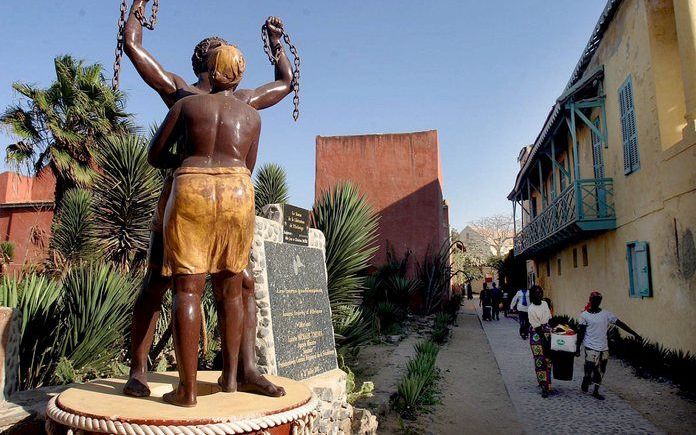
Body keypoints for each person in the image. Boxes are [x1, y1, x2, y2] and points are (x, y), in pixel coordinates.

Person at [122, 0, 289, 399]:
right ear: (211, 63)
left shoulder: (233, 101)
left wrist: (137, 13)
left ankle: (245, 370)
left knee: (239, 283)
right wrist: (277, 45)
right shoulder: (184, 93)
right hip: (184, 200)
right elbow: (135, 50)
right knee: (159, 282)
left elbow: (133, 45)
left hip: (194, 194)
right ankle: (140, 368)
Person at [576, 291, 641, 400]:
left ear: (600, 301)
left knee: (602, 369)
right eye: (594, 299)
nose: (597, 301)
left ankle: (596, 390)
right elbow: (581, 333)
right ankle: (586, 377)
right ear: (590, 300)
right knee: (591, 367)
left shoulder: (606, 314)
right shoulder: (584, 316)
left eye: (599, 300)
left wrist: (634, 334)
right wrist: (577, 348)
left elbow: (620, 323)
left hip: (603, 347)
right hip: (590, 346)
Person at [528, 285, 552, 398]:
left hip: (547, 332)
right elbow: (537, 327)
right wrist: (545, 340)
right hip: (537, 335)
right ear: (532, 295)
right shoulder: (531, 309)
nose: (539, 294)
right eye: (537, 293)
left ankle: (548, 382)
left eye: (540, 292)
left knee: (548, 359)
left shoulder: (545, 304)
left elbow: (549, 318)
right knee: (540, 360)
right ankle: (543, 386)